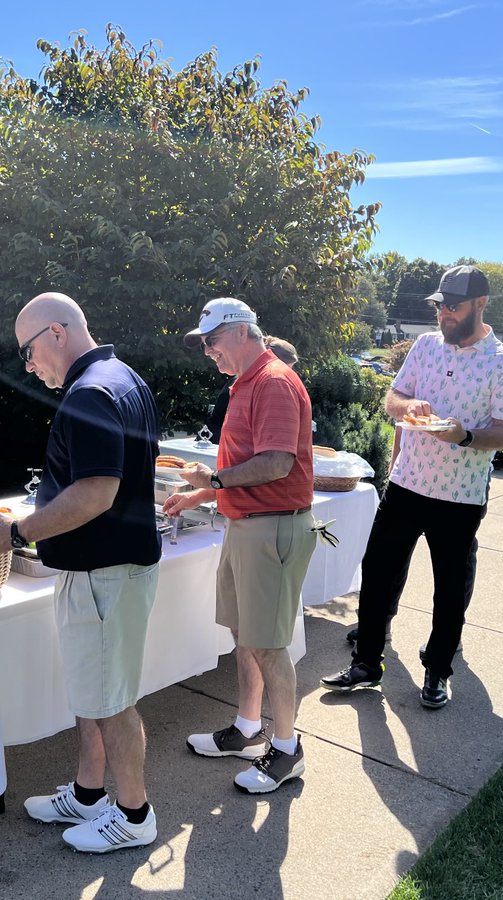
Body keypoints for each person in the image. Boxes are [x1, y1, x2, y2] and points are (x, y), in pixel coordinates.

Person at [0, 292, 162, 853]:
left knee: (112, 701)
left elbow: (97, 493)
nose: (29, 366)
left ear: (56, 333)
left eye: (28, 352)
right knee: (94, 692)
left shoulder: (91, 392)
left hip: (105, 570)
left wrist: (16, 533)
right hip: (104, 569)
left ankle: (133, 815)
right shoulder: (119, 375)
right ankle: (86, 794)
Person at [320, 265, 503, 709]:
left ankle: (437, 670)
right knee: (378, 573)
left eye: (452, 306)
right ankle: (367, 662)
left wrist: (464, 435)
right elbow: (392, 399)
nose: (443, 315)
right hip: (408, 483)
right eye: (439, 306)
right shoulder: (425, 346)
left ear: (480, 305)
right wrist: (408, 404)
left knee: (449, 589)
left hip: (460, 496)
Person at [164, 298, 317, 793]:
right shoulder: (249, 383)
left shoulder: (272, 381)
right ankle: (249, 729)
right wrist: (204, 492)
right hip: (249, 524)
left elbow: (276, 463)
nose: (207, 352)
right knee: (246, 635)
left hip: (271, 527)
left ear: (239, 332)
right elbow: (252, 468)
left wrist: (214, 476)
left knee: (269, 645)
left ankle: (288, 749)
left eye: (210, 341)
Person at [204, 335, 298, 442]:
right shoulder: (251, 383)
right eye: (286, 367)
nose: (289, 373)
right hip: (217, 444)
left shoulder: (253, 380)